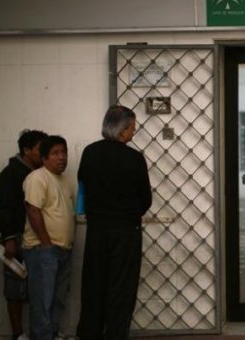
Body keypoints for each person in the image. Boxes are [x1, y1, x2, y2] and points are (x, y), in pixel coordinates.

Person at [76, 105, 152, 340]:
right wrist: (129, 213)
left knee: (94, 283)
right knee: (121, 287)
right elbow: (145, 199)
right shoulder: (134, 158)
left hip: (98, 230)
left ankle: (90, 333)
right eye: (131, 127)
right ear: (121, 130)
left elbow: (83, 186)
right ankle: (115, 334)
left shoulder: (90, 152)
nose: (134, 131)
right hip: (126, 231)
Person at [0, 129, 48, 340]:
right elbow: (4, 208)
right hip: (17, 238)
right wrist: (8, 238)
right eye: (39, 149)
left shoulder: (42, 173)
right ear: (26, 150)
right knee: (15, 290)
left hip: (36, 237)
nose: (43, 153)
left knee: (39, 289)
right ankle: (18, 334)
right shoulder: (11, 173)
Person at [22, 135, 75, 340]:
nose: (61, 157)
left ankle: (51, 334)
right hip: (43, 250)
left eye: (64, 152)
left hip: (63, 249)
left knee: (58, 299)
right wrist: (45, 243)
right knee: (42, 300)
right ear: (44, 158)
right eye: (55, 153)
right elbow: (33, 210)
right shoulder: (37, 178)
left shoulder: (64, 180)